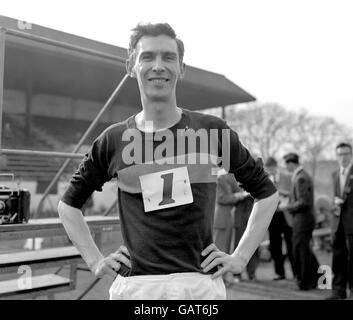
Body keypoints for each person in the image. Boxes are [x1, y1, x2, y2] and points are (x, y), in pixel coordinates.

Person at [58, 22, 279, 300]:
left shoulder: (211, 131)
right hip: (137, 287)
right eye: (147, 57)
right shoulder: (113, 139)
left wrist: (241, 256)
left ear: (181, 68)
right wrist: (94, 260)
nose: (158, 66)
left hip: (199, 286)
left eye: (168, 57)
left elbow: (267, 194)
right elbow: (68, 205)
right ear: (131, 66)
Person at [280, 153, 319, 290]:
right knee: (305, 250)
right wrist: (288, 195)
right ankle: (316, 278)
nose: (285, 167)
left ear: (291, 163)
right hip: (303, 219)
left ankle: (306, 282)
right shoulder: (300, 176)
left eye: (286, 164)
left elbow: (304, 202)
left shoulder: (300, 178)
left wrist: (286, 207)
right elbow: (300, 197)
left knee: (301, 251)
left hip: (303, 220)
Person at [326, 142, 353, 300]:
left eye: (346, 154)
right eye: (340, 154)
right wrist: (334, 203)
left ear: (351, 155)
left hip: (352, 223)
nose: (343, 157)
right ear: (336, 156)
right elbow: (331, 197)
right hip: (337, 223)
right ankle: (338, 291)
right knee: (338, 257)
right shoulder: (334, 174)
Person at [265, 156, 295, 280]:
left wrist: (283, 192)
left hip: (286, 214)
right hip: (272, 215)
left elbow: (293, 193)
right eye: (268, 169)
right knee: (275, 245)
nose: (270, 171)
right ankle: (279, 273)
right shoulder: (265, 179)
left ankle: (296, 272)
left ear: (276, 167)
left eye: (272, 168)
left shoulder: (287, 177)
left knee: (290, 244)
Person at [232, 181, 260, 281]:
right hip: (240, 219)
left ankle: (251, 273)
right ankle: (237, 274)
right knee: (239, 247)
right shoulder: (233, 177)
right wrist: (242, 194)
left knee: (253, 247)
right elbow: (231, 197)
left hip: (254, 217)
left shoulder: (257, 177)